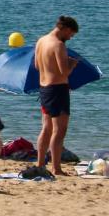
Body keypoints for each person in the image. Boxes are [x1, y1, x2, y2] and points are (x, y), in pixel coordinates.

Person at [35, 15, 79, 176]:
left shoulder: (41, 41)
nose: (70, 38)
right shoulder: (59, 45)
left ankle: (40, 163)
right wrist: (72, 64)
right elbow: (64, 72)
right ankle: (56, 168)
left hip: (44, 89)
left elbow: (36, 65)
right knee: (59, 131)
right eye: (71, 35)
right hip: (58, 90)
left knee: (46, 129)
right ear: (66, 29)